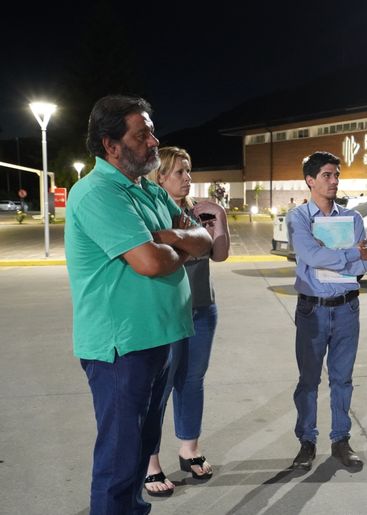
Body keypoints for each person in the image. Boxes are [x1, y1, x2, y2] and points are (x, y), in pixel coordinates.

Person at [65, 95, 212, 514]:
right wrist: (173, 243)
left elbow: (203, 238)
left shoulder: (146, 189)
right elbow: (149, 262)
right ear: (111, 145)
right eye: (142, 133)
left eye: (151, 130)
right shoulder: (96, 193)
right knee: (118, 462)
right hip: (121, 349)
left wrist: (172, 240)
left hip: (158, 339)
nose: (154, 140)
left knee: (139, 450)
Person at [143, 147, 231, 496]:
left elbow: (219, 254)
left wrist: (219, 216)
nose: (187, 178)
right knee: (160, 388)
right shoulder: (152, 215)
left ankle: (188, 449)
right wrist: (192, 239)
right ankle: (149, 463)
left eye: (189, 171)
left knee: (192, 381)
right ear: (160, 176)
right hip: (167, 313)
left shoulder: (197, 213)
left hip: (202, 309)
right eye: (179, 172)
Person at [286, 151, 367, 470]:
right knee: (308, 380)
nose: (334, 181)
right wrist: (348, 253)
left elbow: (365, 262)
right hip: (313, 309)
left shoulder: (353, 218)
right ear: (310, 180)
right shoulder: (298, 218)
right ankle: (307, 441)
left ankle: (341, 441)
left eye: (337, 175)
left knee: (342, 379)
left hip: (348, 307)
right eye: (327, 175)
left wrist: (339, 256)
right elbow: (310, 255)